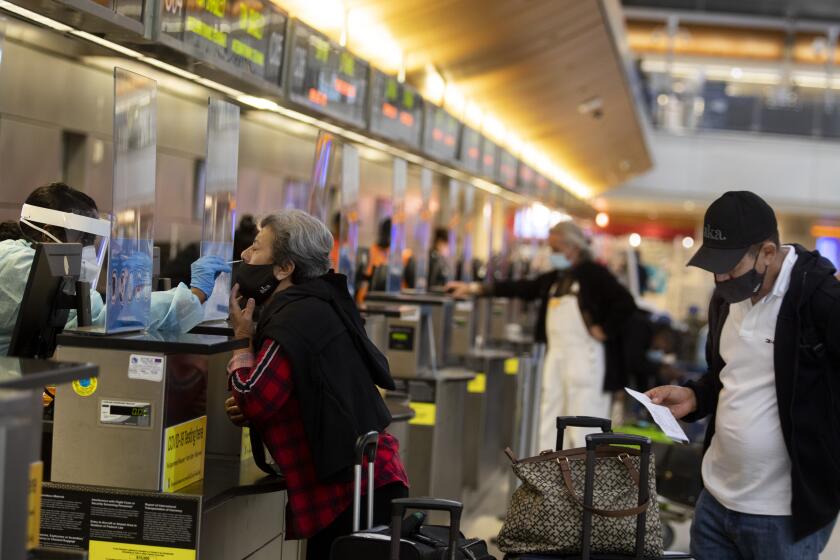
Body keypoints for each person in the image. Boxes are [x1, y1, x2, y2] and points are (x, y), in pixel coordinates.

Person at [646, 191, 839, 560]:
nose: (721, 277)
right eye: (715, 267)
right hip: (715, 501)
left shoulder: (821, 300)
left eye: (731, 266)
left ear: (767, 252)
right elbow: (723, 376)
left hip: (782, 516)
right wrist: (696, 397)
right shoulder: (725, 298)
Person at [221, 210, 408, 559]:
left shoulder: (295, 320)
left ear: (284, 268)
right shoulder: (320, 302)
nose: (245, 256)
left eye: (257, 248)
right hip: (366, 479)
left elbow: (252, 398)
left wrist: (243, 341)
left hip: (351, 494)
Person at [448, 220, 637, 450]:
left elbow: (626, 303)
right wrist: (475, 288)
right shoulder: (556, 278)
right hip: (556, 355)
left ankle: (582, 479)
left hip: (585, 358)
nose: (552, 254)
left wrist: (605, 329)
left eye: (556, 249)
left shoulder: (594, 274)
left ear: (573, 247)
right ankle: (547, 473)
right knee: (550, 415)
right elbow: (523, 288)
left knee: (584, 418)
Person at [0, 183, 230, 356]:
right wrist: (194, 295)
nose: (89, 248)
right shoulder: (17, 263)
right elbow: (96, 319)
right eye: (85, 238)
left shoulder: (31, 259)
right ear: (46, 233)